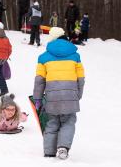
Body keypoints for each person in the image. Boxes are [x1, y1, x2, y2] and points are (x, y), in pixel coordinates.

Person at [32, 27, 85, 159]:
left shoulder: (43, 57)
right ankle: (63, 147)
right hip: (70, 95)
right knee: (68, 122)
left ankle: (49, 152)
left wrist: (37, 99)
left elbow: (39, 80)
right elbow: (81, 79)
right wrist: (78, 95)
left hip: (52, 97)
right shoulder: (75, 56)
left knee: (52, 122)